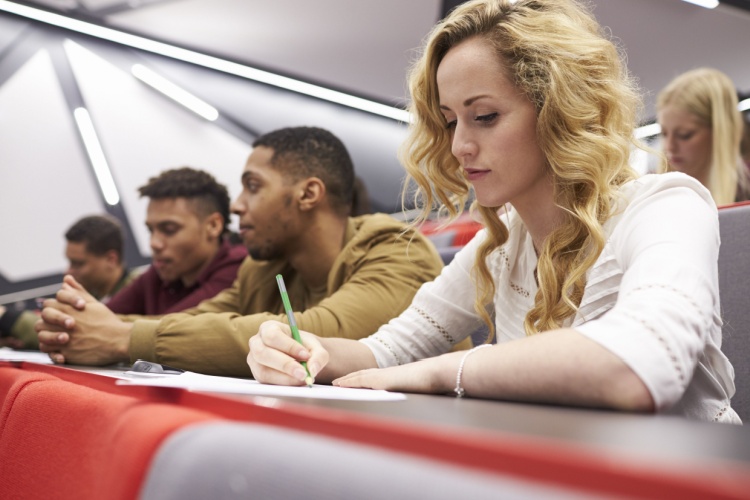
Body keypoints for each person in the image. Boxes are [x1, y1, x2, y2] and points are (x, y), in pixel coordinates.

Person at [246, 0, 739, 423]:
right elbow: (389, 350)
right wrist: (306, 350)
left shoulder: (667, 206)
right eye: (449, 121)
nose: (459, 145)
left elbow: (639, 364)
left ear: (559, 111)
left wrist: (446, 372)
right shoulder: (502, 241)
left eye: (484, 117)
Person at [36, 126, 453, 375]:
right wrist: (84, 327)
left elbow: (314, 334)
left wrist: (120, 337)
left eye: (252, 186)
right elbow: (189, 321)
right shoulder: (263, 269)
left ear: (309, 194)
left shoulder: (399, 250)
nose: (236, 205)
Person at [105, 167, 247, 315]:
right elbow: (106, 315)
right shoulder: (161, 272)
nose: (154, 243)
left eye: (169, 230)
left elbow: (175, 327)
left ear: (213, 226)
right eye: (151, 230)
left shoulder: (238, 269)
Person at [0, 215, 138, 349]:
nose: (69, 271)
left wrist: (7, 317)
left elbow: (79, 336)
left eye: (78, 264)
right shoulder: (92, 296)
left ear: (111, 259)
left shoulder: (139, 294)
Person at [657, 67, 750, 205]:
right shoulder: (655, 195)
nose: (669, 147)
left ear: (719, 132)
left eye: (685, 135)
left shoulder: (745, 190)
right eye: (664, 134)